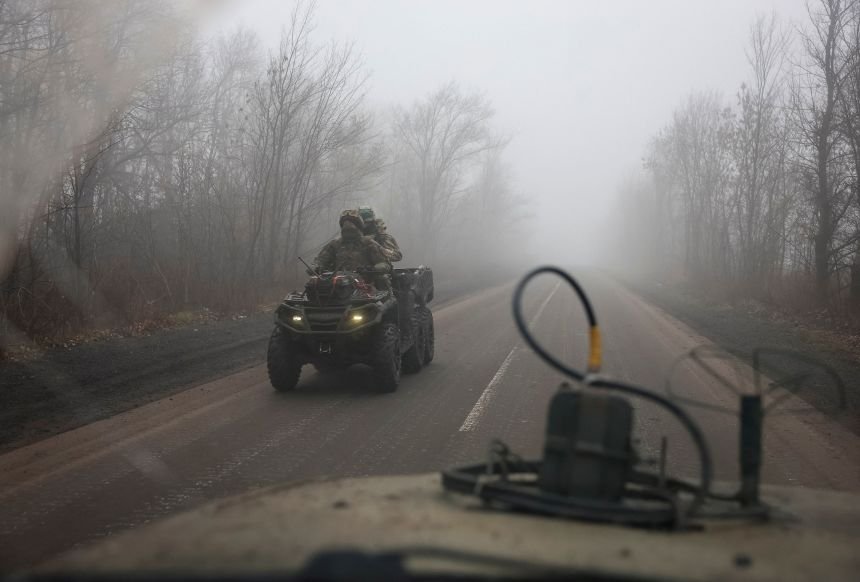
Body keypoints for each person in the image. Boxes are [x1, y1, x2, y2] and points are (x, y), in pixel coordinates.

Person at [313, 210, 390, 284]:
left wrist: (375, 268)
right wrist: (316, 266)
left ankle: (387, 296)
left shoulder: (368, 243)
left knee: (382, 279)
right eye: (345, 224)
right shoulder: (335, 244)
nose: (348, 225)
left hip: (366, 284)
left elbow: (383, 263)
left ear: (358, 226)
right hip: (338, 284)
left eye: (352, 223)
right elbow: (321, 260)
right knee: (314, 283)